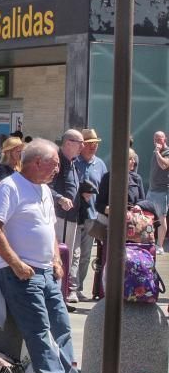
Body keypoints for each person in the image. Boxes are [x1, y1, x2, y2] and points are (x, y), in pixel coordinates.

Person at [0, 138, 74, 373]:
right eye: (54, 164)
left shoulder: (45, 189)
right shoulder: (10, 187)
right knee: (40, 331)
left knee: (62, 328)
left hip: (47, 271)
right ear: (37, 162)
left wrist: (56, 259)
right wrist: (16, 264)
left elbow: (49, 230)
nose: (58, 169)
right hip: (22, 274)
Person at [71, 128, 107, 302]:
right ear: (82, 145)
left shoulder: (100, 164)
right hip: (75, 215)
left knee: (85, 255)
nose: (94, 147)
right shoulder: (73, 162)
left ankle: (78, 288)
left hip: (93, 215)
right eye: (90, 144)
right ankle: (70, 289)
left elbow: (104, 189)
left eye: (96, 144)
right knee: (74, 253)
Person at [49, 130, 83, 293]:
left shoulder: (73, 163)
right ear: (68, 143)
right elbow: (46, 186)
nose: (83, 146)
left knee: (66, 257)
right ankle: (57, 293)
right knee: (58, 257)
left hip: (71, 218)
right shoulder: (58, 162)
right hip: (60, 218)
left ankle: (63, 293)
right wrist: (60, 199)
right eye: (80, 142)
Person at [96, 148, 145, 214]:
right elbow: (99, 205)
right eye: (130, 159)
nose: (134, 161)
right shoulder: (107, 178)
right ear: (121, 160)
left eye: (134, 158)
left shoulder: (137, 178)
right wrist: (112, 210)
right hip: (109, 222)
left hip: (132, 221)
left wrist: (138, 206)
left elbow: (142, 200)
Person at [147, 131, 169, 255]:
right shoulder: (156, 152)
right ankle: (149, 241)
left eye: (159, 139)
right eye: (155, 139)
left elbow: (164, 166)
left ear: (164, 139)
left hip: (162, 191)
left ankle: (160, 246)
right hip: (151, 190)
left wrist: (157, 153)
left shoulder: (166, 152)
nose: (157, 141)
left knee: (161, 218)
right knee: (147, 217)